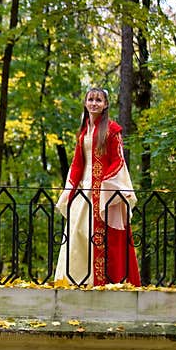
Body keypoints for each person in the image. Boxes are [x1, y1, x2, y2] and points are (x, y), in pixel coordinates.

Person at [54, 87, 141, 286]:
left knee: (100, 237)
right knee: (78, 232)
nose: (94, 103)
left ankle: (100, 281)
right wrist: (69, 190)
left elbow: (118, 161)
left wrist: (104, 186)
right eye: (91, 99)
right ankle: (77, 280)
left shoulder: (111, 130)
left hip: (102, 190)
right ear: (85, 103)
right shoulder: (83, 131)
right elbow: (78, 163)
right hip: (84, 190)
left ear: (106, 105)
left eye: (99, 100)